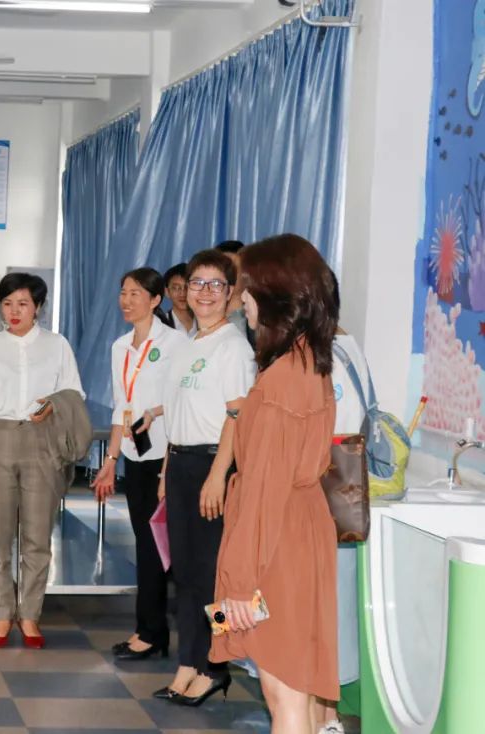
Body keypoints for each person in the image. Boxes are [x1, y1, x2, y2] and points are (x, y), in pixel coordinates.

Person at [210, 235, 339, 733]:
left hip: (273, 548)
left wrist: (239, 586)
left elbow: (262, 495)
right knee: (297, 686)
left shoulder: (281, 381)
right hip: (300, 534)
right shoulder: (311, 363)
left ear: (275, 295)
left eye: (245, 288)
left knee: (281, 692)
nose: (240, 299)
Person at [0, 273, 87, 650]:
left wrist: (53, 404)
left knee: (37, 534)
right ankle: (1, 613)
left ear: (38, 308)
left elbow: (74, 392)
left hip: (41, 440)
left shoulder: (57, 345)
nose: (14, 311)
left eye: (23, 304)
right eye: (7, 303)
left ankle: (30, 613)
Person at [156, 248, 256, 704]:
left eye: (216, 284)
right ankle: (188, 661)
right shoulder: (187, 345)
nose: (205, 292)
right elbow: (177, 413)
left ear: (231, 292)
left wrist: (218, 476)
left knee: (215, 575)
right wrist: (165, 471)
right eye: (197, 283)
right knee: (185, 573)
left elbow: (236, 416)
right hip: (180, 464)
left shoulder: (233, 347)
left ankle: (216, 664)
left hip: (212, 464)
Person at [92, 268, 188, 661]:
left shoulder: (175, 343)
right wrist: (110, 459)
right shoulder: (120, 346)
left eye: (136, 293)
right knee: (146, 545)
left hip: (167, 456)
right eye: (123, 292)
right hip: (135, 455)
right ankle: (150, 630)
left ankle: (157, 632)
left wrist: (156, 416)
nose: (126, 300)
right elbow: (122, 406)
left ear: (155, 299)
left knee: (163, 549)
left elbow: (183, 400)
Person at [315, 273, 368, 734]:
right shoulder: (344, 347)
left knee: (325, 607)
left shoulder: (327, 352)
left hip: (324, 498)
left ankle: (326, 715)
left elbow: (339, 426)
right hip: (330, 499)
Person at [215, 241, 249, 338]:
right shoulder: (202, 314)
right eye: (223, 268)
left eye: (234, 268)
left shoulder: (256, 317)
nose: (228, 274)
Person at [163, 263, 196, 336]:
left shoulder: (206, 323)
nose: (182, 293)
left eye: (187, 287)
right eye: (176, 288)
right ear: (167, 292)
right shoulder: (160, 325)